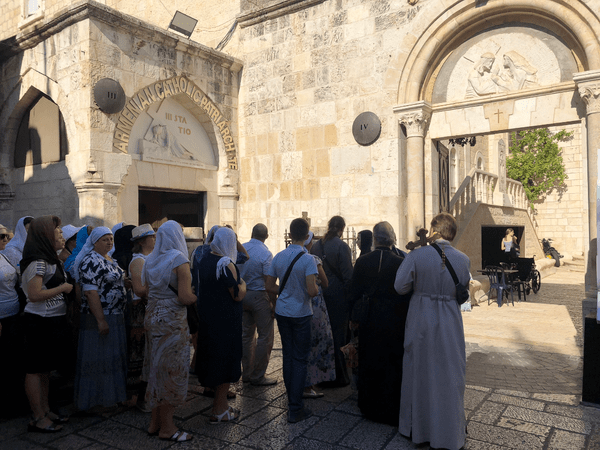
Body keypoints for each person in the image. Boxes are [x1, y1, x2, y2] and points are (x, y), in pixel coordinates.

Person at [394, 212, 470, 450]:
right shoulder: (463, 259)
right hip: (449, 318)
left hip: (422, 317)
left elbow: (400, 286)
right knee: (449, 373)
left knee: (420, 371)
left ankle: (419, 429)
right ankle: (449, 431)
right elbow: (464, 290)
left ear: (434, 230)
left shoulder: (418, 255)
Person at [349, 222, 410, 425]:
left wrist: (353, 317)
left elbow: (353, 292)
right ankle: (390, 406)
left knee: (370, 358)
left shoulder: (363, 261)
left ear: (374, 239)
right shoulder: (400, 261)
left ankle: (369, 405)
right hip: (394, 318)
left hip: (370, 317)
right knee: (391, 361)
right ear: (392, 238)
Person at [142, 221, 195, 442]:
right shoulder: (179, 260)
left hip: (153, 317)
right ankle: (167, 427)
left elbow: (145, 289)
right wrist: (196, 296)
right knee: (173, 370)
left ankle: (155, 422)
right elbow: (184, 297)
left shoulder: (150, 259)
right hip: (172, 321)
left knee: (156, 368)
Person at [20, 216, 73, 432]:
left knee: (45, 370)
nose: (61, 235)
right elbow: (34, 294)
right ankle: (38, 416)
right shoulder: (38, 262)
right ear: (44, 236)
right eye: (57, 232)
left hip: (52, 321)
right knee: (35, 369)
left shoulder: (51, 260)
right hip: (39, 322)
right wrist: (63, 289)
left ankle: (46, 409)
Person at [266, 218, 319, 423]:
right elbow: (312, 290)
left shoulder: (279, 256)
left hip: (283, 311)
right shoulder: (308, 259)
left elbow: (269, 286)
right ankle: (295, 408)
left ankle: (291, 401)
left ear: (289, 235)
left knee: (288, 356)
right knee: (299, 359)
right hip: (301, 314)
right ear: (307, 237)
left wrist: (285, 291)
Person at [73, 227, 128, 412]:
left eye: (111, 239)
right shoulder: (90, 261)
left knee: (111, 359)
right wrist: (100, 320)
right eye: (105, 239)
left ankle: (111, 398)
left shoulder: (109, 259)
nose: (109, 242)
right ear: (94, 242)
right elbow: (90, 291)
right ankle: (94, 401)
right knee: (98, 359)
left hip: (116, 314)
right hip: (101, 316)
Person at [195, 227, 247, 424]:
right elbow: (237, 293)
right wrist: (244, 284)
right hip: (226, 322)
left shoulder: (205, 259)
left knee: (214, 360)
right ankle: (220, 410)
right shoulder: (225, 264)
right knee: (225, 361)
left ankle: (220, 405)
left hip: (209, 319)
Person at [310, 215, 353, 387]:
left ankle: (321, 375)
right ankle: (338, 376)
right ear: (342, 229)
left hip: (320, 295)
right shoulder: (342, 246)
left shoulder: (315, 246)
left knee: (321, 335)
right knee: (338, 335)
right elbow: (348, 276)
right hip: (337, 297)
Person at [238, 223, 278, 386]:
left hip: (242, 294)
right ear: (266, 236)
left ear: (252, 233)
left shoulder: (241, 249)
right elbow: (269, 282)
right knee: (265, 336)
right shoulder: (266, 253)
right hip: (259, 296)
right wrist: (273, 304)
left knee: (246, 335)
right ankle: (258, 375)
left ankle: (247, 373)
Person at [0, 223, 28, 418]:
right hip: (1, 317)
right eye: (1, 237)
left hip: (13, 313)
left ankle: (13, 402)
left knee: (13, 360)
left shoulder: (3, 255)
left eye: (6, 236)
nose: (5, 240)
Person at [127, 224, 155, 412]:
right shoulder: (138, 262)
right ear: (143, 241)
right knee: (141, 354)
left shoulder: (149, 259)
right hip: (140, 311)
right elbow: (139, 290)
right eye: (152, 237)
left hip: (149, 308)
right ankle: (138, 398)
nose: (155, 239)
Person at [303, 231, 334, 398]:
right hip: (315, 306)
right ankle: (311, 384)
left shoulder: (286, 257)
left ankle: (300, 383)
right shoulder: (314, 260)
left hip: (298, 305)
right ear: (309, 243)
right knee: (316, 344)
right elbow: (326, 282)